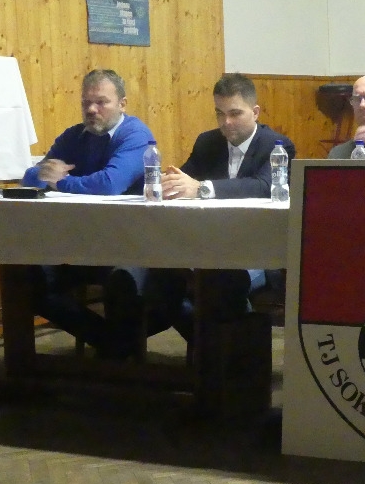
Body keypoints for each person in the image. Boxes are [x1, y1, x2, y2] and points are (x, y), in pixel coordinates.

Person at [105, 73, 296, 354]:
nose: (226, 122)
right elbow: (186, 177)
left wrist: (202, 188)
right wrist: (167, 184)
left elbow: (264, 186)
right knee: (158, 279)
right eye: (219, 113)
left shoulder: (277, 145)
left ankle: (225, 354)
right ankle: (207, 350)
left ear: (255, 112)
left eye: (235, 113)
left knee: (219, 282)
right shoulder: (208, 142)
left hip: (255, 251)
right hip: (202, 244)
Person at [22, 69, 151, 351]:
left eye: (101, 102)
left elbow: (110, 184)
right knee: (29, 279)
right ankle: (107, 342)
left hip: (128, 244)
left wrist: (61, 181)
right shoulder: (74, 136)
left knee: (124, 283)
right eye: (86, 103)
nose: (91, 110)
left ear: (122, 104)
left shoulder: (136, 135)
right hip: (78, 241)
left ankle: (118, 350)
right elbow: (30, 177)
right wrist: (47, 176)